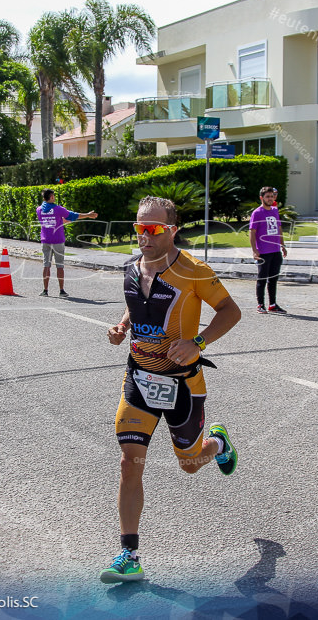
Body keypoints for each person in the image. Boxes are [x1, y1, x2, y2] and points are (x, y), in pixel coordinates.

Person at [101, 196, 242, 584]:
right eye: (139, 228)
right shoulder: (131, 268)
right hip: (140, 380)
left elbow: (231, 311)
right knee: (130, 463)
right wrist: (121, 327)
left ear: (173, 230)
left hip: (183, 385)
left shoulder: (195, 271)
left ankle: (218, 445)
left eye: (154, 229)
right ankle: (129, 554)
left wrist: (197, 342)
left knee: (189, 464)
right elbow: (138, 304)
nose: (145, 235)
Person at [35, 189, 97, 297]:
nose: (54, 197)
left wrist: (64, 221)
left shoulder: (39, 210)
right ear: (51, 197)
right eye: (53, 195)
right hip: (58, 240)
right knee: (59, 266)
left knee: (46, 265)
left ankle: (45, 290)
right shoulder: (58, 209)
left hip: (45, 240)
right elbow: (72, 215)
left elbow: (51, 220)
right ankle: (61, 290)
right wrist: (87, 215)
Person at [249, 186, 288, 314]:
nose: (270, 199)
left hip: (275, 250)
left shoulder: (275, 211)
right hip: (263, 252)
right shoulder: (257, 213)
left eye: (272, 196)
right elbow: (252, 232)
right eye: (267, 196)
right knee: (262, 279)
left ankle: (272, 304)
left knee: (273, 279)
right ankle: (260, 304)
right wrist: (255, 251)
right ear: (262, 198)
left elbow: (279, 228)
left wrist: (282, 245)